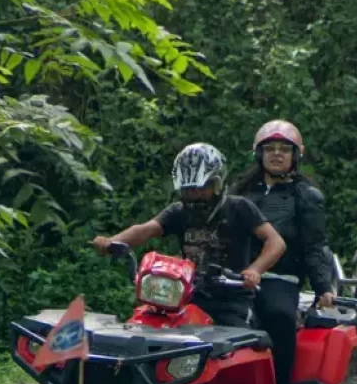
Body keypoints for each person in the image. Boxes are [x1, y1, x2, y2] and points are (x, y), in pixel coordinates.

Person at [92, 143, 286, 334]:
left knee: (237, 346)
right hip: (185, 297)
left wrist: (254, 270)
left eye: (201, 188)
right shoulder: (179, 211)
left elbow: (275, 242)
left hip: (231, 301)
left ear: (217, 184)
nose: (195, 195)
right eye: (189, 189)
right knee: (145, 329)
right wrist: (112, 242)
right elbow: (146, 229)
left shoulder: (239, 207)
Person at [233, 121, 337, 384]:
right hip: (238, 277)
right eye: (269, 149)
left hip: (282, 278)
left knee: (278, 314)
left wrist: (323, 287)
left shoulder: (306, 196)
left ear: (295, 155)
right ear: (259, 153)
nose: (276, 154)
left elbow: (316, 245)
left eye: (283, 149)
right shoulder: (240, 192)